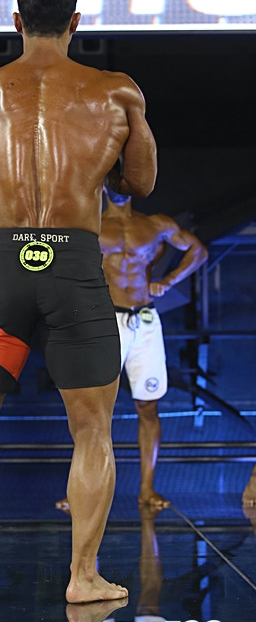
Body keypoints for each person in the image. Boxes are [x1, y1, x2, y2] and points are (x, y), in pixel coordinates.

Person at [0, 0, 157, 604]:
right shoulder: (117, 91)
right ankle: (83, 578)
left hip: (4, 267)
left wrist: (4, 172)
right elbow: (140, 183)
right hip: (76, 269)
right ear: (76, 22)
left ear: (16, 21)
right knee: (93, 427)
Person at [56, 187, 208, 510]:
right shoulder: (89, 225)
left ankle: (147, 490)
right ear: (103, 184)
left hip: (146, 320)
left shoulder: (155, 224)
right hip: (105, 319)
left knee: (148, 406)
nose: (118, 187)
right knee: (93, 410)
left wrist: (169, 280)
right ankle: (82, 490)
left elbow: (198, 251)